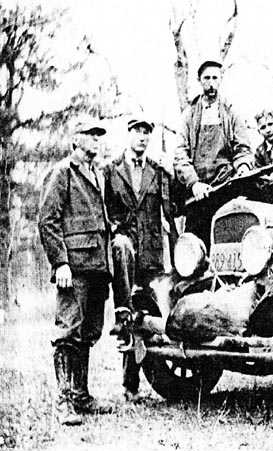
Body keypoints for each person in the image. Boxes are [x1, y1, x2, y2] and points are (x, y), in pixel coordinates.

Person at [38, 119, 114, 425]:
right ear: (75, 140)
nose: (96, 140)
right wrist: (60, 263)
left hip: (97, 266)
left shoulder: (97, 174)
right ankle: (64, 401)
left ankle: (81, 396)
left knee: (88, 332)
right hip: (74, 269)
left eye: (98, 136)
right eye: (90, 135)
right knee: (68, 332)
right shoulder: (62, 172)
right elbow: (48, 221)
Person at [104, 117, 174, 402]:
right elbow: (105, 211)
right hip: (126, 255)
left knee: (148, 316)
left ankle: (142, 381)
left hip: (151, 255)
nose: (142, 137)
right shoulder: (111, 170)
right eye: (137, 131)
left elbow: (172, 209)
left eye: (147, 132)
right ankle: (129, 386)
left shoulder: (158, 171)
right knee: (128, 314)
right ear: (129, 134)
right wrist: (116, 233)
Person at [173, 59, 253, 247]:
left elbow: (243, 147)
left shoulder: (230, 112)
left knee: (230, 238)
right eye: (206, 78)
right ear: (199, 81)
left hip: (225, 187)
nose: (211, 83)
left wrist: (242, 166)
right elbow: (180, 154)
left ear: (221, 79)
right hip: (199, 193)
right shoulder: (189, 115)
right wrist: (194, 183)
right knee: (193, 246)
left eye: (215, 78)